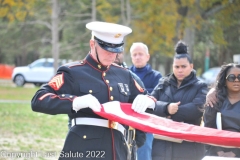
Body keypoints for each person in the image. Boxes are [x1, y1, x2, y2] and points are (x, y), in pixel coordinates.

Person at [31, 21, 155, 160]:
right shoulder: (73, 72)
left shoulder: (124, 75)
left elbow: (149, 103)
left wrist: (148, 101)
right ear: (92, 44)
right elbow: (39, 99)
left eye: (115, 51)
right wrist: (75, 102)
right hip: (84, 150)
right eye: (106, 49)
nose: (111, 55)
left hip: (118, 151)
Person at [132, 40, 208, 160]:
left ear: (191, 66)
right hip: (161, 145)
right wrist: (167, 108)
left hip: (188, 147)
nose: (180, 70)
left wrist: (170, 112)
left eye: (183, 66)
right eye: (176, 67)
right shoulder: (164, 82)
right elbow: (150, 104)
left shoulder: (200, 86)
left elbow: (197, 109)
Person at [129, 42, 162, 160]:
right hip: (128, 122)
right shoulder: (125, 74)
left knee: (144, 154)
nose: (137, 57)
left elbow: (156, 97)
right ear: (131, 57)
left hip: (146, 124)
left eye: (140, 54)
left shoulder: (156, 77)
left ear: (147, 56)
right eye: (134, 54)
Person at [204, 63, 240, 158]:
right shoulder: (214, 100)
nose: (236, 80)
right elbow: (208, 128)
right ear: (224, 80)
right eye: (231, 77)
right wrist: (219, 151)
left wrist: (235, 152)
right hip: (216, 153)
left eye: (239, 77)